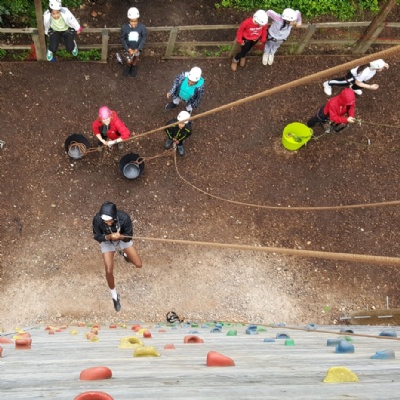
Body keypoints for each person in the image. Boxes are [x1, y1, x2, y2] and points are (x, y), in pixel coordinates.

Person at [93, 202, 142, 312]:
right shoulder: (97, 219)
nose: (107, 222)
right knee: (108, 271)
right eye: (105, 220)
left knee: (138, 264)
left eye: (109, 220)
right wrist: (108, 236)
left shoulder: (124, 218)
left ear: (114, 217)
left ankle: (124, 253)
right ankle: (115, 296)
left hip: (122, 239)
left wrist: (121, 236)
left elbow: (129, 236)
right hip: (107, 241)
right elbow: (97, 236)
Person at [323, 59, 389, 96]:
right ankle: (328, 83)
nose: (383, 69)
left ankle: (353, 87)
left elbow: (377, 61)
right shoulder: (365, 72)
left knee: (362, 84)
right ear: (376, 67)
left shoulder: (372, 66)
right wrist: (369, 87)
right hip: (352, 77)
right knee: (342, 82)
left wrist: (384, 64)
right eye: (382, 68)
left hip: (360, 78)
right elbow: (358, 82)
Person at [118, 7, 147, 77]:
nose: (133, 23)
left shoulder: (142, 27)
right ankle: (128, 66)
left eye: (135, 21)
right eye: (132, 21)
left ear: (138, 20)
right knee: (129, 60)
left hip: (137, 48)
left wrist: (138, 48)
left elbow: (144, 37)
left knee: (136, 58)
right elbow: (122, 38)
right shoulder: (124, 28)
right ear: (129, 20)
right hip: (128, 48)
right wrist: (128, 49)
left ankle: (133, 66)